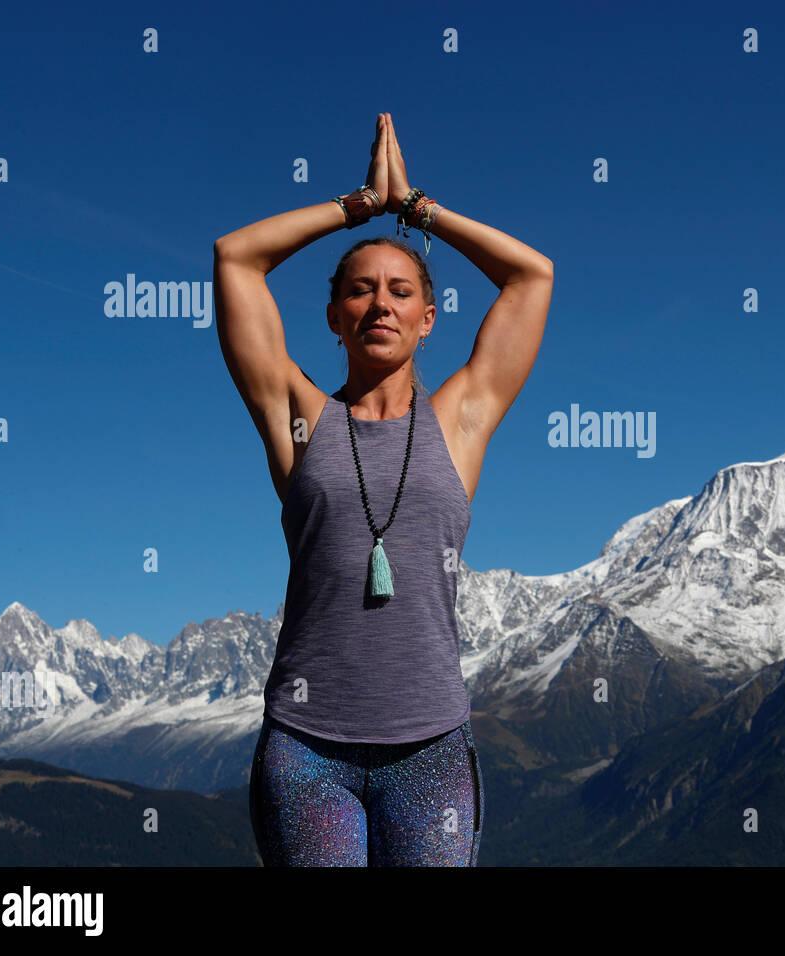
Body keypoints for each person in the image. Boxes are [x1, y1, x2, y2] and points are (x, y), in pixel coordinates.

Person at [213, 112, 553, 865]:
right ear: (335, 317)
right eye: (360, 292)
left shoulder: (459, 421)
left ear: (429, 319)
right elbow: (235, 259)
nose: (381, 304)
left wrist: (418, 210)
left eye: (401, 291)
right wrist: (358, 206)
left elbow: (532, 276)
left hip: (430, 750)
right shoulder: (300, 419)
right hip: (306, 752)